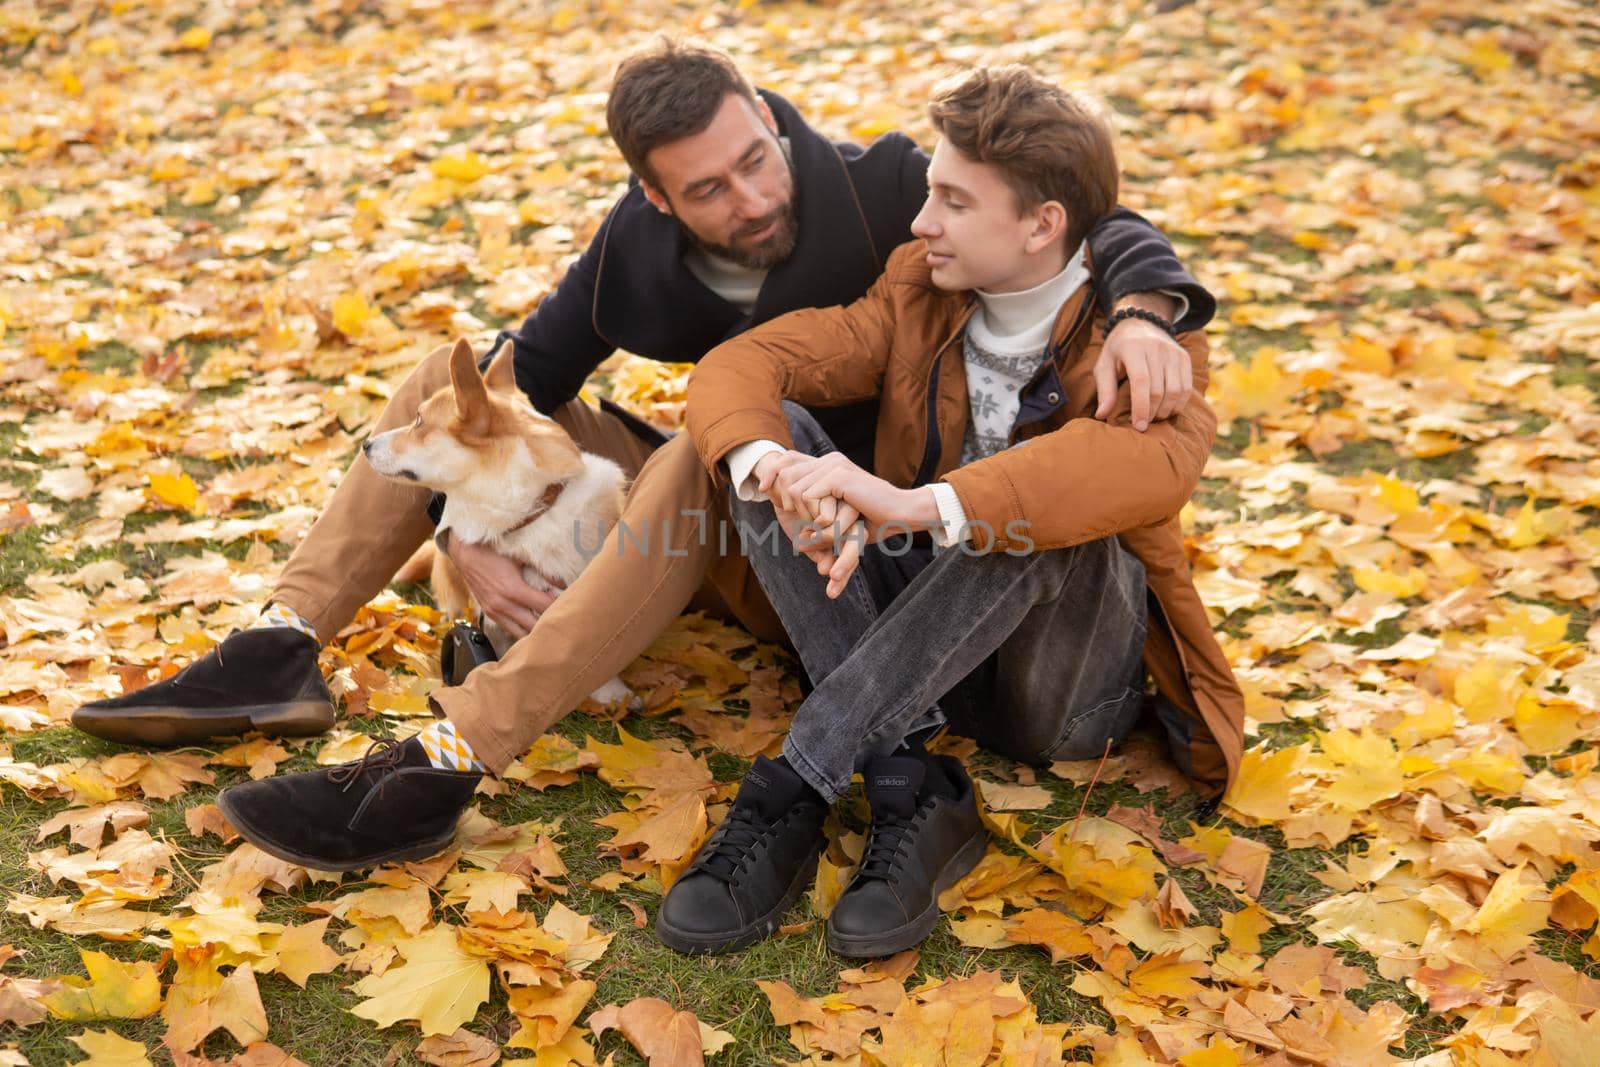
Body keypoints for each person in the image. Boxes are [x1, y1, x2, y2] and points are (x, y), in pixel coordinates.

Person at [72, 41, 1215, 872]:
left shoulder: (888, 198)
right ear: (655, 196)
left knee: (725, 462)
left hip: (913, 561)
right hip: (796, 529)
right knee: (450, 381)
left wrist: (1148, 305)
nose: (756, 196)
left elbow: (1086, 211)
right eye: (709, 188)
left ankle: (460, 746)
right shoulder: (667, 253)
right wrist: (465, 550)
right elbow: (533, 393)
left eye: (759, 158)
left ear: (773, 120)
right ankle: (279, 643)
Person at [656, 65, 1244, 957]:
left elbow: (1149, 466)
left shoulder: (1147, 339)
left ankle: (801, 779)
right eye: (929, 192)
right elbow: (744, 366)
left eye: (954, 202)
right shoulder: (917, 291)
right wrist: (773, 463)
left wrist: (918, 504)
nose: (922, 219)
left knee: (1036, 505)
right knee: (785, 452)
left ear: (1043, 223)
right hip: (918, 651)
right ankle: (912, 777)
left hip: (1058, 687)